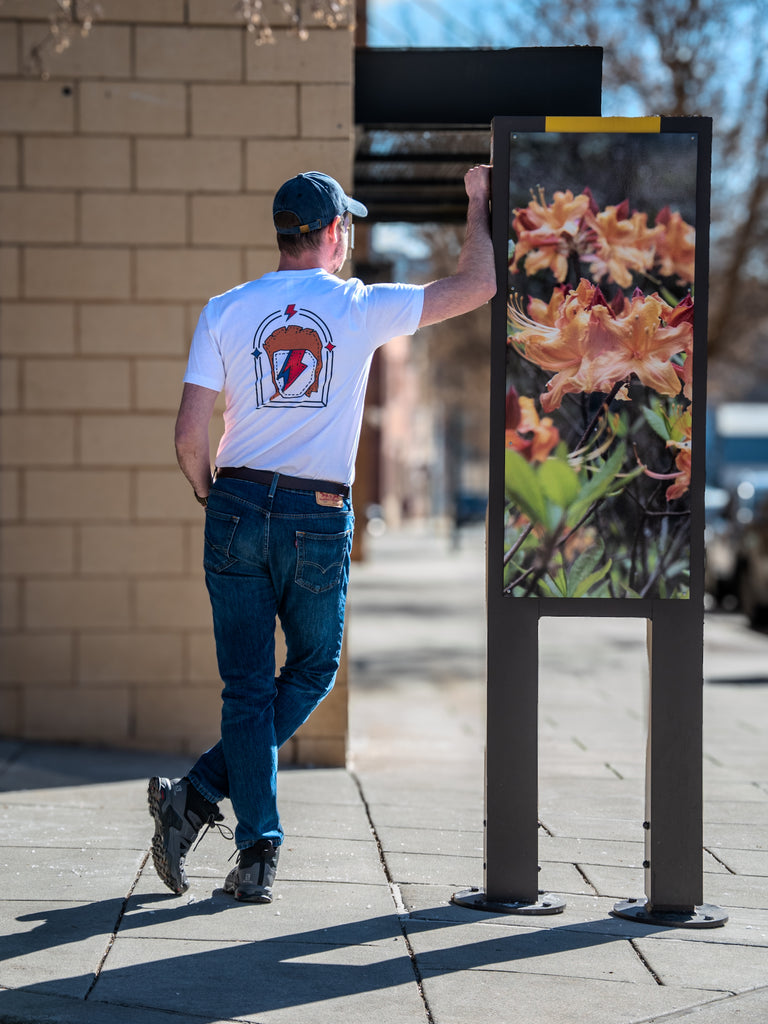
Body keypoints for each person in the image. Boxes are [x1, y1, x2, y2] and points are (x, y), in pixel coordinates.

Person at [148, 166, 495, 903]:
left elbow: (186, 436)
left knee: (245, 687)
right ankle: (214, 809)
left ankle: (234, 828)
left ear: (284, 234)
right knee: (310, 670)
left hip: (235, 501)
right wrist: (477, 204)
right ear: (335, 233)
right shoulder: (358, 307)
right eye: (350, 227)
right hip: (316, 513)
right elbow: (477, 285)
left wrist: (218, 498)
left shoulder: (225, 310)